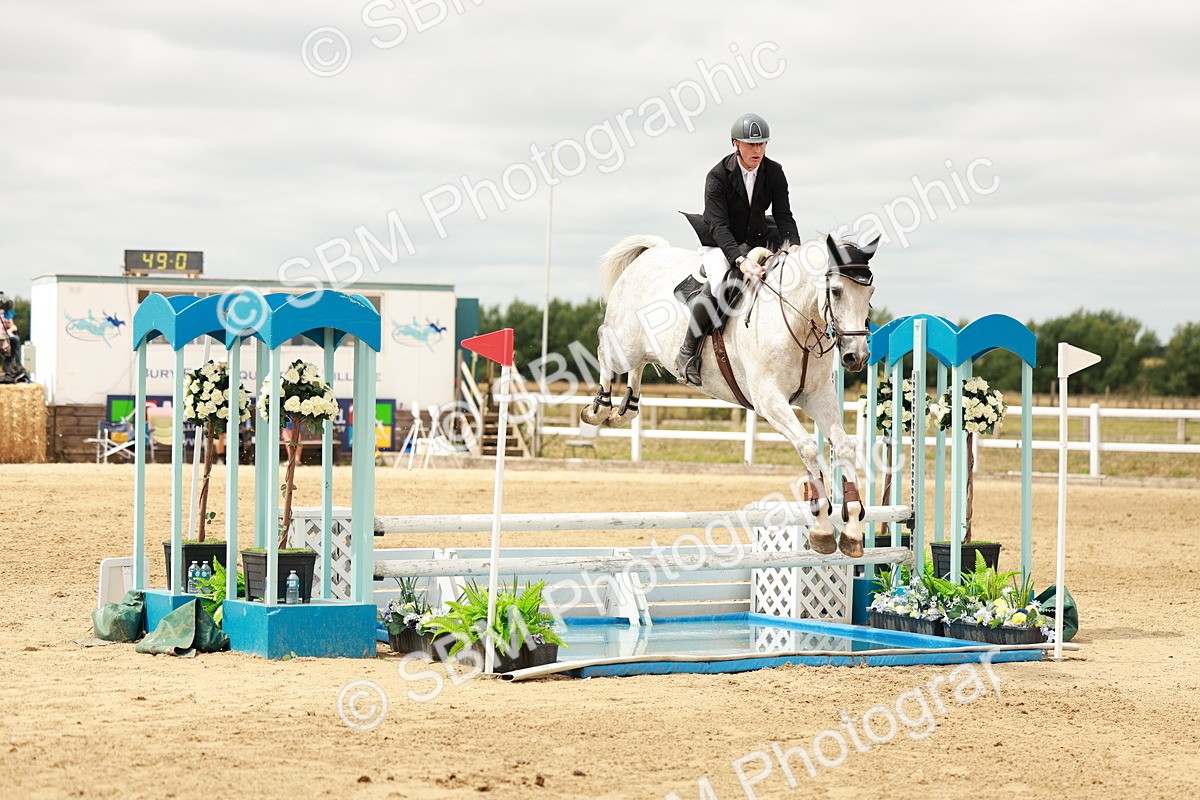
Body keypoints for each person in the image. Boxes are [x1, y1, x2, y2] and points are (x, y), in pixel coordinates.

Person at [675, 113, 801, 386]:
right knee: (721, 282)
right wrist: (741, 259)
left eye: (762, 144)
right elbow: (719, 226)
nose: (757, 150)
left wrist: (795, 249)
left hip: (756, 235)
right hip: (719, 241)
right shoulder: (717, 176)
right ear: (735, 144)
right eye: (750, 144)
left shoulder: (774, 171)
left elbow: (783, 215)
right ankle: (687, 352)